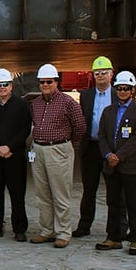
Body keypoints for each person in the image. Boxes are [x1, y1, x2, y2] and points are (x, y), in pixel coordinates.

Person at [29, 63, 86, 249]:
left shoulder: (68, 102)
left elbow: (80, 127)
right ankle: (47, 230)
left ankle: (63, 233)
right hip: (38, 150)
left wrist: (68, 144)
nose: (45, 85)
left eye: (49, 81)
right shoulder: (36, 103)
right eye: (42, 82)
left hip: (58, 149)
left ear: (56, 82)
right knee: (42, 194)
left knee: (60, 193)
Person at [95, 71, 136, 256]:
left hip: (130, 167)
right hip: (111, 166)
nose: (123, 91)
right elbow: (101, 136)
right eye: (119, 88)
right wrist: (108, 155)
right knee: (113, 202)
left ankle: (134, 239)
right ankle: (113, 237)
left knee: (133, 203)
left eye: (126, 88)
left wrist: (119, 156)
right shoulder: (108, 111)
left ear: (132, 90)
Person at [73, 56, 125, 238]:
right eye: (97, 73)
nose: (101, 76)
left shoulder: (117, 94)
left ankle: (119, 227)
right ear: (93, 75)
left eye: (104, 72)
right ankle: (84, 225)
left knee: (115, 190)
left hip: (112, 148)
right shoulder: (86, 96)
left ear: (111, 74)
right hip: (91, 148)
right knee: (89, 190)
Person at [0, 69, 32, 242]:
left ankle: (19, 229)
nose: (2, 88)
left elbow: (25, 129)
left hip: (14, 157)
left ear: (11, 86)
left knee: (17, 194)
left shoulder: (21, 105)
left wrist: (9, 147)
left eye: (5, 85)